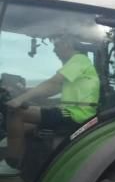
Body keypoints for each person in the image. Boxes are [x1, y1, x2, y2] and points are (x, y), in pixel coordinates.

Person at [5, 34, 99, 169]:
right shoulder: (77, 66)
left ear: (67, 43)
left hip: (76, 115)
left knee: (17, 113)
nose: (54, 50)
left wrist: (20, 99)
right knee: (24, 126)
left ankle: (13, 165)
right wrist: (23, 91)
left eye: (56, 45)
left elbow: (52, 85)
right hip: (71, 111)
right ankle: (30, 163)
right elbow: (53, 90)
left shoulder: (79, 60)